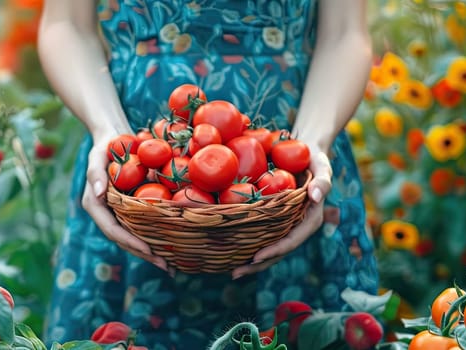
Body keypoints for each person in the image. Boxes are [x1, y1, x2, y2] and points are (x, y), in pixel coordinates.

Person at [37, 1, 377, 348]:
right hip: (138, 172)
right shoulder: (132, 161)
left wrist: (310, 146)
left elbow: (344, 34)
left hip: (290, 166)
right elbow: (66, 26)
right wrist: (109, 134)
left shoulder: (289, 167)